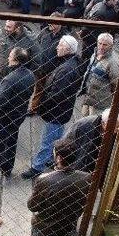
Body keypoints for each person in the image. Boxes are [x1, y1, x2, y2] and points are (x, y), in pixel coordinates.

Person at [22, 35, 83, 179]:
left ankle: (37, 167)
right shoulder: (71, 64)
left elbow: (57, 94)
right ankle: (53, 158)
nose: (57, 47)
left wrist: (43, 104)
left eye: (60, 45)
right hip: (62, 111)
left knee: (47, 140)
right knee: (56, 137)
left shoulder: (66, 69)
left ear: (67, 49)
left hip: (55, 111)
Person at [0, 48, 35, 179]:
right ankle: (7, 168)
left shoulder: (9, 79)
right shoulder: (30, 75)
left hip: (5, 115)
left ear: (16, 60)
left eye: (10, 56)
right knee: (11, 140)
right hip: (19, 114)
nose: (8, 58)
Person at [27, 138, 91, 236]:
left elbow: (32, 206)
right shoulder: (86, 177)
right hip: (69, 225)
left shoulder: (44, 180)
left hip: (45, 228)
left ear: (58, 158)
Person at [29, 13, 69, 113]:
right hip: (41, 67)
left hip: (54, 69)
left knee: (49, 90)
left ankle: (46, 108)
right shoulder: (44, 32)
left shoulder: (65, 36)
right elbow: (36, 45)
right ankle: (34, 108)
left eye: (54, 22)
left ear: (60, 23)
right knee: (38, 88)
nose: (50, 23)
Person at [79, 33, 119, 118]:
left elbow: (116, 85)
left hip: (100, 104)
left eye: (105, 45)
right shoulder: (95, 54)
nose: (101, 47)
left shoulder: (113, 62)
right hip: (87, 99)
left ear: (111, 45)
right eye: (100, 43)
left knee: (94, 126)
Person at [0, 20, 37, 90]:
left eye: (9, 27)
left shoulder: (30, 39)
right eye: (5, 25)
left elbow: (36, 61)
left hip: (19, 81)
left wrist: (27, 76)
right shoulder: (2, 33)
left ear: (17, 28)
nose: (5, 28)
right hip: (0, 76)